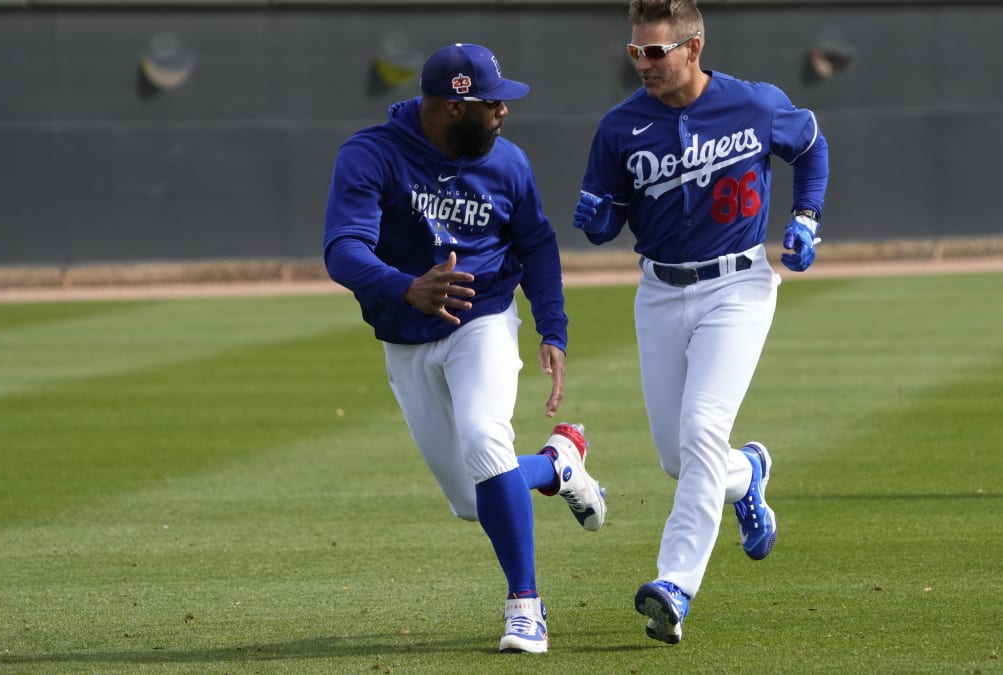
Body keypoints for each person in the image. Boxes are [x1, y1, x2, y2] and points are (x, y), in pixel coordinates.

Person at [322, 42, 607, 655]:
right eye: (492, 103)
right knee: (470, 500)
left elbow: (537, 244)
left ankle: (526, 607)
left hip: (483, 320)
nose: (504, 112)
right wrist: (405, 287)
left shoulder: (508, 165)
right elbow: (341, 249)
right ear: (454, 106)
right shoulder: (372, 155)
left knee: (485, 439)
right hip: (406, 336)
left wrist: (551, 328)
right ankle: (559, 465)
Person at [572, 0, 829, 645]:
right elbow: (605, 216)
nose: (643, 64)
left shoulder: (753, 104)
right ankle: (748, 474)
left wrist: (806, 218)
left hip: (739, 286)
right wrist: (598, 218)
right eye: (635, 52)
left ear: (692, 48)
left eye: (655, 52)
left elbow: (811, 146)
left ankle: (675, 584)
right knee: (679, 457)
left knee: (701, 428)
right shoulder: (619, 126)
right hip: (659, 291)